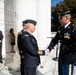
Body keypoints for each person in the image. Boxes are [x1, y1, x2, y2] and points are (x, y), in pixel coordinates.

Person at [46, 10, 76, 75]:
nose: (59, 19)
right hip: (62, 57)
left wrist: (64, 47)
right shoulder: (60, 28)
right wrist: (49, 48)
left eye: (60, 18)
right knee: (61, 73)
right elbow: (55, 39)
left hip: (69, 58)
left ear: (66, 18)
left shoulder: (73, 29)